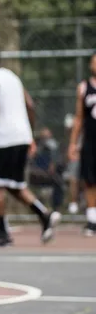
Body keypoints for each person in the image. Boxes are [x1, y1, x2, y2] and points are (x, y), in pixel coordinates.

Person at [0, 47, 59, 247]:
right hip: (21, 135)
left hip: (2, 138)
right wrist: (29, 135)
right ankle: (44, 215)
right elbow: (30, 105)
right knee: (14, 186)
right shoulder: (13, 77)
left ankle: (3, 233)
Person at [68, 52, 96, 236]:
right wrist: (73, 143)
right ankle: (92, 220)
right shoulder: (84, 87)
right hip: (90, 142)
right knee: (90, 180)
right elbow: (79, 119)